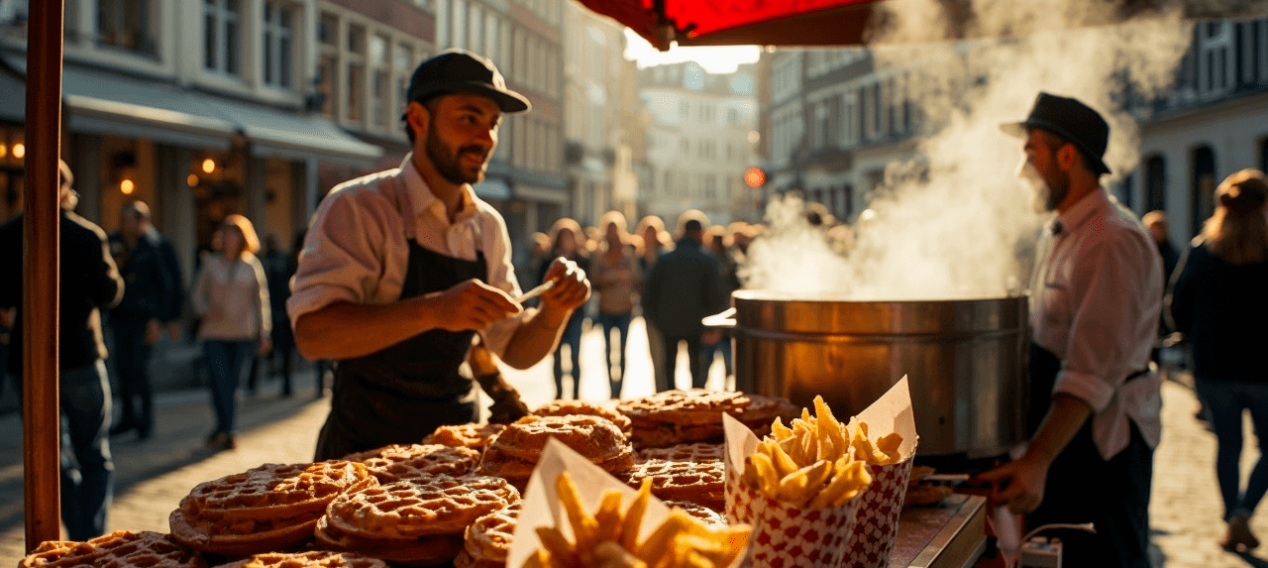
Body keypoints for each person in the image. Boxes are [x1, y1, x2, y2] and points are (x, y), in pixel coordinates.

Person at [287, 49, 590, 460]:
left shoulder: (487, 226)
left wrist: (555, 311)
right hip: (362, 452)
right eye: (469, 118)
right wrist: (434, 310)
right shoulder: (358, 208)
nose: (485, 138)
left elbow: (515, 349)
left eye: (493, 123)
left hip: (456, 449)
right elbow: (312, 335)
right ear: (418, 119)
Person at [978, 93, 1162, 568]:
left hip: (1101, 448)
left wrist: (1037, 459)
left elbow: (1090, 371)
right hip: (1065, 442)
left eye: (1031, 152)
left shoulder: (1111, 241)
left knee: (1105, 559)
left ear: (1066, 156)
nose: (1023, 171)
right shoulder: (1062, 233)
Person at [0, 159, 124, 540]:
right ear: (66, 190)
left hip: (30, 359)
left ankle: (73, 530)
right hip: (81, 356)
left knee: (50, 456)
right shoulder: (86, 235)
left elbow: (2, 297)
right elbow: (110, 294)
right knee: (94, 454)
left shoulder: (9, 234)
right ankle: (89, 535)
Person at [1167, 169, 1268, 552]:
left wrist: (1193, 337)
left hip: (1213, 368)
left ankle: (1231, 519)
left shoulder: (1202, 249)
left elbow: (1176, 306)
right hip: (1264, 370)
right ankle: (1242, 512)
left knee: (1227, 446)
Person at [192, 214, 271, 450]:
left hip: (242, 334)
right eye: (225, 233)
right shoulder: (211, 264)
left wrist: (264, 332)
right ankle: (225, 429)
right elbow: (197, 295)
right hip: (214, 333)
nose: (228, 238)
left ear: (242, 237)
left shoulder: (252, 266)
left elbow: (261, 301)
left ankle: (226, 430)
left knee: (233, 384)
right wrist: (206, 310)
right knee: (218, 382)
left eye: (233, 234)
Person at [107, 200, 181, 440]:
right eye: (124, 219)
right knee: (123, 369)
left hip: (144, 317)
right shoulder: (114, 242)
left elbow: (167, 284)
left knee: (139, 369)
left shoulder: (156, 246)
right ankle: (127, 416)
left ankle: (145, 421)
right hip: (120, 315)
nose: (126, 224)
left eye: (130, 220)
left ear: (142, 221)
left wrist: (161, 319)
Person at [643, 211, 727, 391]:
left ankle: (668, 407)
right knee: (696, 371)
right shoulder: (707, 259)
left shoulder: (665, 258)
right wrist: (713, 325)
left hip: (667, 323)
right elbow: (715, 295)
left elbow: (649, 291)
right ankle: (695, 408)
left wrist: (655, 319)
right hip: (697, 325)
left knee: (669, 369)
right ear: (701, 232)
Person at [539, 218, 589, 400]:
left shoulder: (583, 259)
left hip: (575, 315)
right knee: (557, 356)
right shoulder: (548, 260)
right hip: (555, 314)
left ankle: (576, 394)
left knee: (575, 356)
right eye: (564, 236)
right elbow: (541, 284)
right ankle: (559, 393)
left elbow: (588, 286)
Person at [591, 211, 639, 398]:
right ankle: (611, 386)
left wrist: (621, 276)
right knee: (609, 350)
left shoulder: (629, 252)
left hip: (625, 307)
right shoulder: (599, 253)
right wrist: (606, 278)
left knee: (623, 351)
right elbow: (593, 278)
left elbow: (636, 276)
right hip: (606, 307)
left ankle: (621, 388)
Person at [635, 215, 672, 391]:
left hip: (667, 310)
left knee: (668, 356)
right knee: (656, 357)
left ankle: (669, 390)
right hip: (649, 311)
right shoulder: (638, 256)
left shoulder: (666, 253)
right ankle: (660, 391)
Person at [701, 225, 738, 387]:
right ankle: (725, 386)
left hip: (713, 317)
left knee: (709, 360)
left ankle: (706, 388)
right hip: (726, 316)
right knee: (725, 359)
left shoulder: (708, 261)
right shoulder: (732, 260)